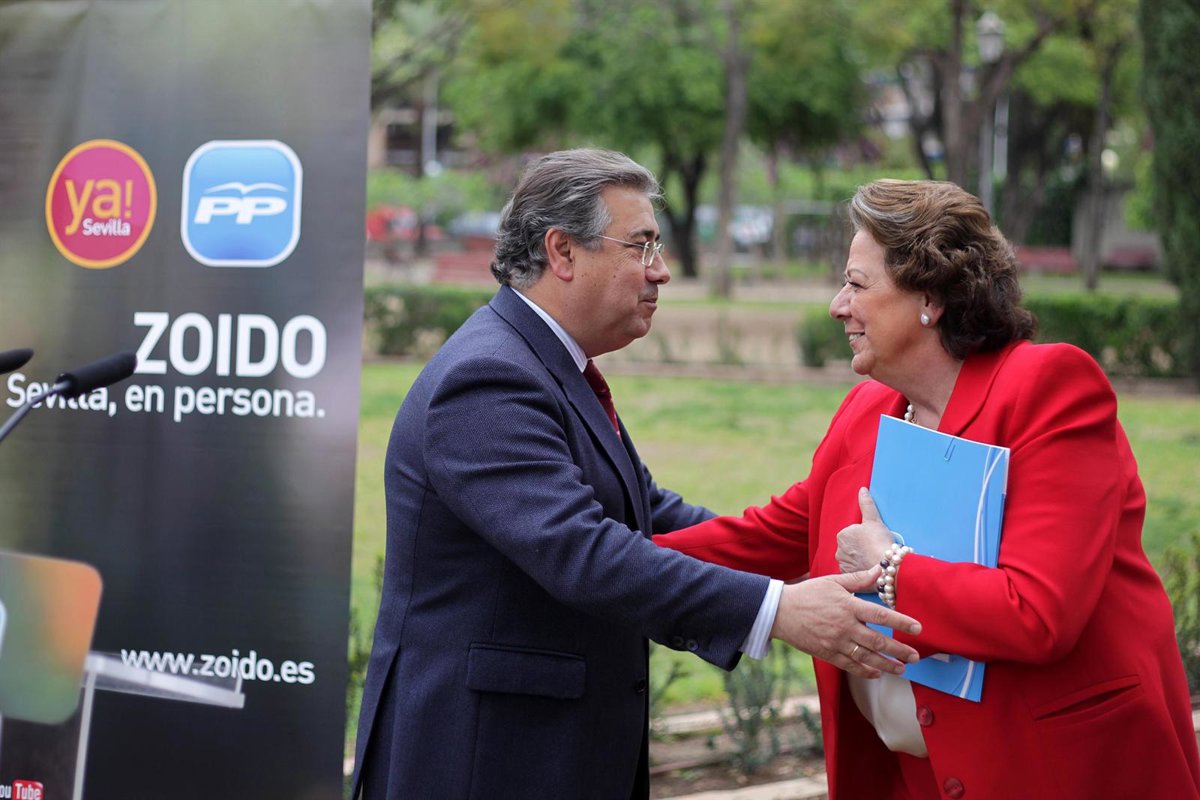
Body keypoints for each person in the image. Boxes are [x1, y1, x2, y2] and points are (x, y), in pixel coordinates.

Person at [350, 149, 922, 800]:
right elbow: (583, 553)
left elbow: (648, 515)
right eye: (643, 245)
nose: (662, 271)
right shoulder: (489, 379)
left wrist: (815, 561)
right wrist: (777, 609)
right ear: (563, 251)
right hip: (482, 759)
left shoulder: (547, 365)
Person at [655, 179, 1200, 799]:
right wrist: (612, 562)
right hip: (917, 777)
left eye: (856, 284)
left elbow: (1040, 613)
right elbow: (771, 534)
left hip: (1058, 770)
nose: (837, 305)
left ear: (931, 297)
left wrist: (891, 567)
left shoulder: (1049, 389)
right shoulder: (867, 410)